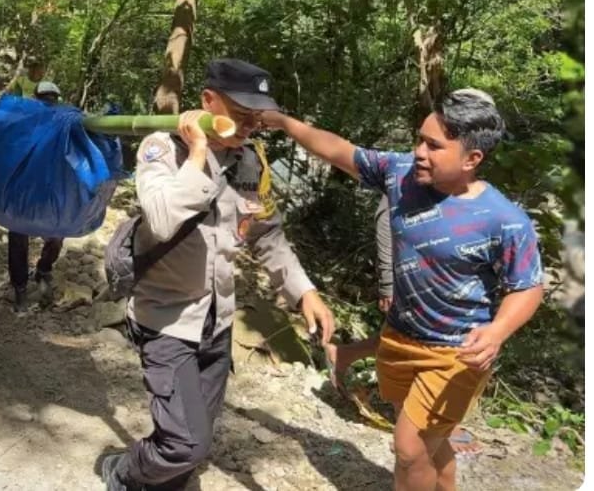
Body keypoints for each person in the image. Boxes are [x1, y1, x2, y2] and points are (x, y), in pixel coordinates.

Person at [260, 88, 544, 491]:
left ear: (471, 159)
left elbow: (528, 286)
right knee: (430, 442)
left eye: (433, 145)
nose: (419, 152)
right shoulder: (401, 173)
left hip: (455, 354)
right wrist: (286, 123)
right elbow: (340, 150)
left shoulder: (505, 220)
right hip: (397, 338)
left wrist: (498, 331)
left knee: (409, 449)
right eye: (419, 139)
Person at [101, 59, 334, 491]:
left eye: (256, 115)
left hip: (217, 319)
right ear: (208, 101)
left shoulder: (250, 162)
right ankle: (124, 470)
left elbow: (268, 235)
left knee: (196, 439)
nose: (250, 124)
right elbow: (162, 218)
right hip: (166, 319)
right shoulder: (161, 148)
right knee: (184, 444)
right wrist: (199, 154)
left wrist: (304, 293)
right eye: (240, 112)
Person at [324, 198, 483, 457]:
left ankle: (343, 354)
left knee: (413, 334)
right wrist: (388, 281)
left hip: (438, 274)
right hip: (411, 272)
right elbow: (387, 217)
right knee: (412, 336)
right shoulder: (410, 175)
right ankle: (418, 426)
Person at [7, 81, 66, 313]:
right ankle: (19, 288)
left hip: (50, 194)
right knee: (18, 241)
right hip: (21, 193)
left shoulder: (64, 125)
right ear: (36, 97)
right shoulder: (23, 124)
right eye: (44, 97)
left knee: (57, 236)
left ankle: (43, 268)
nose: (48, 101)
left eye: (52, 97)